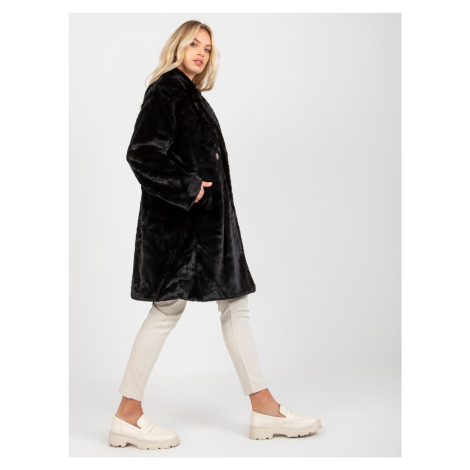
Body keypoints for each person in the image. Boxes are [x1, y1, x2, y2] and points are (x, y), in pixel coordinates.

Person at [108, 20, 322, 450]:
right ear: (177, 46)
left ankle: (263, 406)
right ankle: (127, 415)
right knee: (167, 310)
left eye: (207, 48)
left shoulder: (190, 95)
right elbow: (141, 153)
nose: (201, 52)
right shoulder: (167, 90)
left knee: (234, 304)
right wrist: (189, 187)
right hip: (180, 229)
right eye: (194, 44)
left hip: (209, 228)